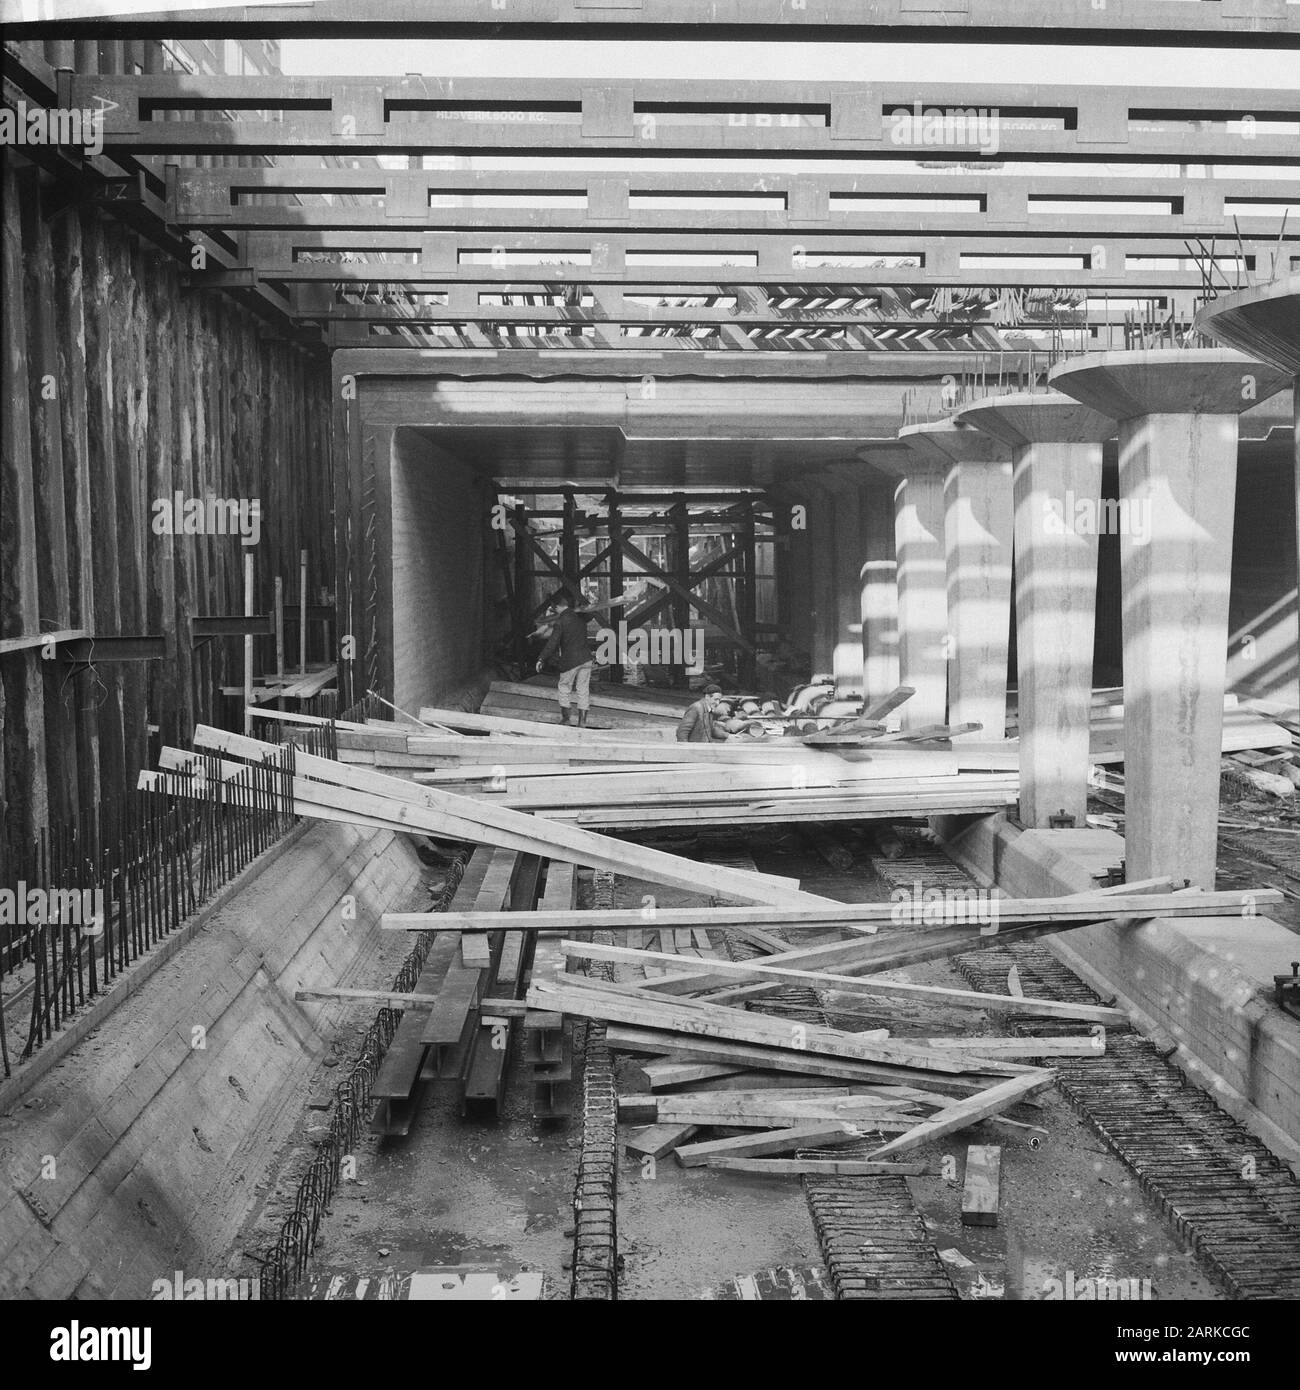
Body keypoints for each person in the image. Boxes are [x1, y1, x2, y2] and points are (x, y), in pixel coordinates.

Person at [535, 586, 649, 726]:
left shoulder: (560, 622)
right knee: (583, 690)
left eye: (554, 608)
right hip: (586, 659)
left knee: (564, 688)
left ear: (558, 607)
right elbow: (587, 613)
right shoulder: (580, 619)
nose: (554, 610)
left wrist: (541, 658)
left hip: (570, 661)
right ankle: (582, 722)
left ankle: (566, 719)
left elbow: (552, 643)